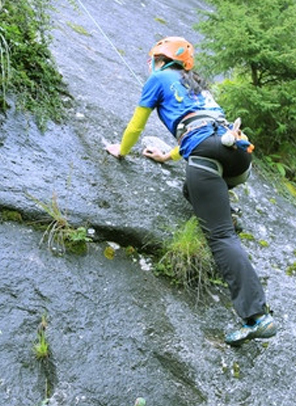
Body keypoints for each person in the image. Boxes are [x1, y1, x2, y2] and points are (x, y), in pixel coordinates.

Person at [106, 36, 276, 345]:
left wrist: (121, 150)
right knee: (193, 189)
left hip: (207, 153)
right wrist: (168, 155)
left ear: (159, 59)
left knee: (221, 236)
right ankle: (229, 212)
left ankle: (256, 317)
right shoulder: (198, 87)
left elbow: (135, 126)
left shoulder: (158, 78)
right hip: (238, 155)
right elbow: (201, 130)